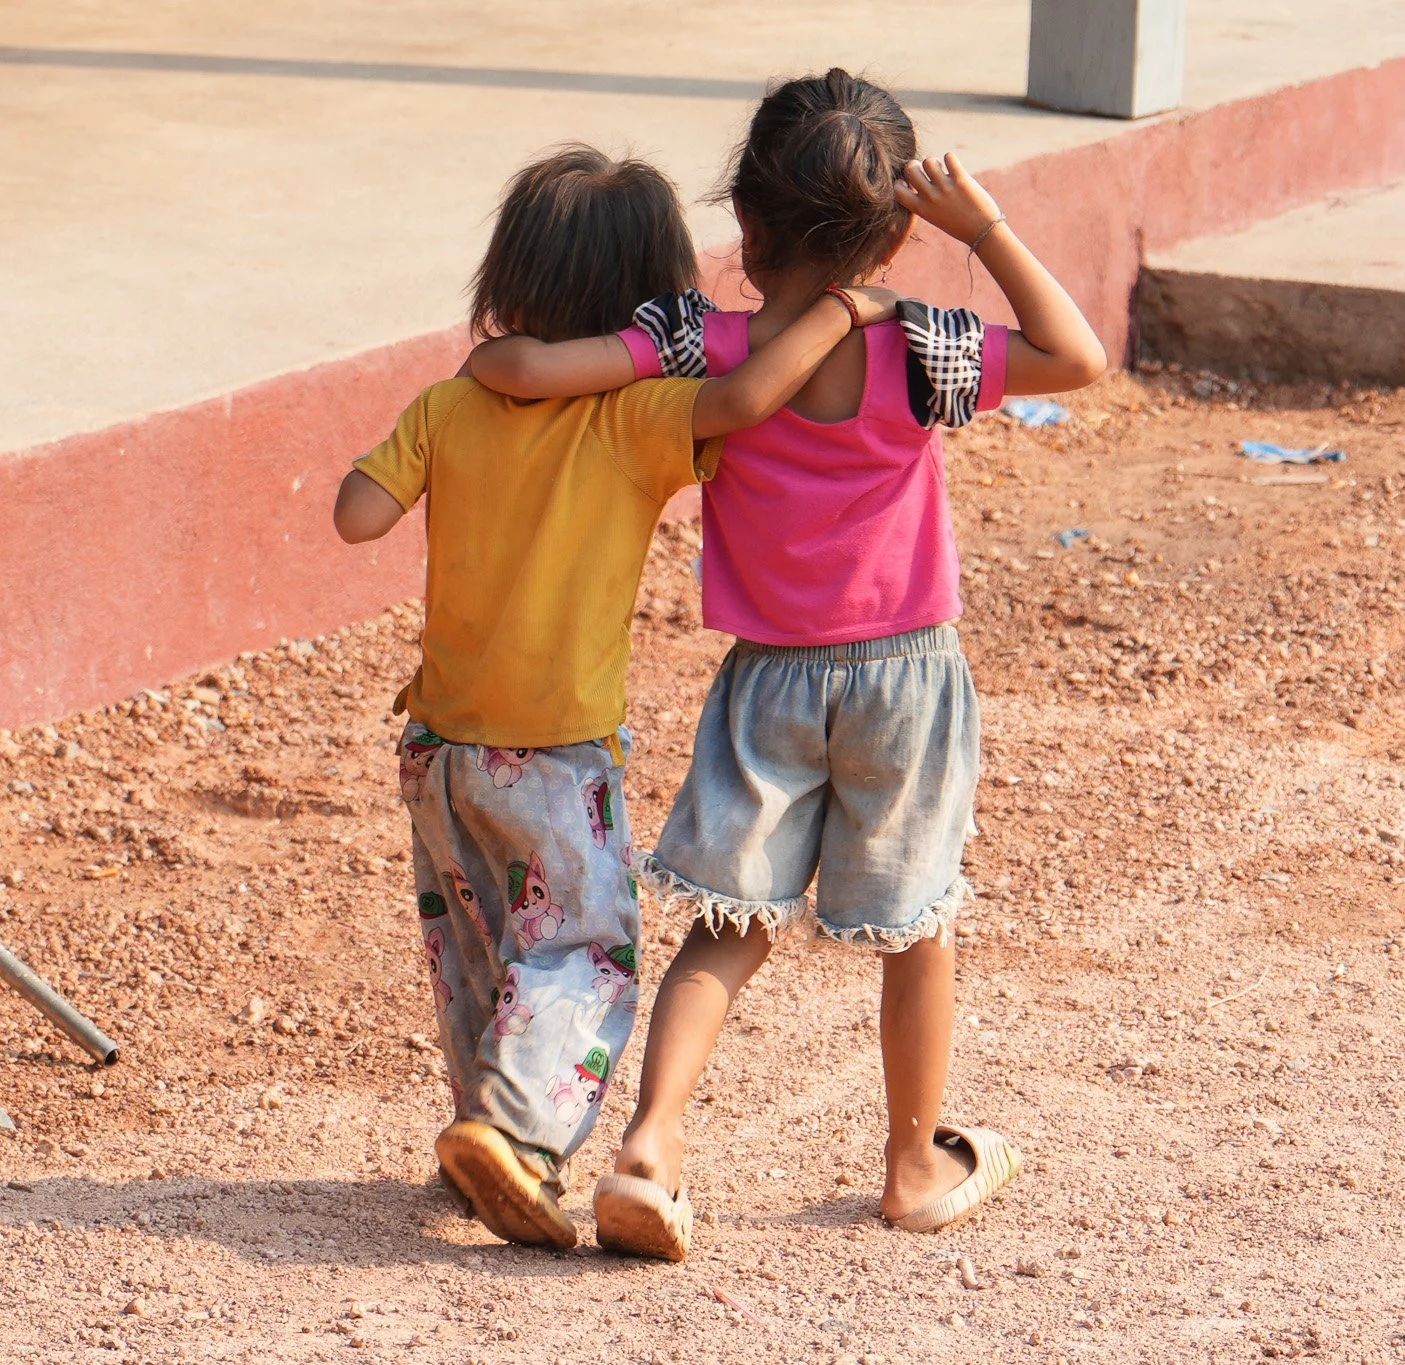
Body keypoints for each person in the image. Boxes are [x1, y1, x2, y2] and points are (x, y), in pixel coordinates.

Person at [464, 71, 1106, 1260]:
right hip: (907, 680)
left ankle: (649, 1148)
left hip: (767, 681)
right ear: (897, 236)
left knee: (727, 925)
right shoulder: (920, 349)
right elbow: (1077, 356)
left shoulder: (696, 346)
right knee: (914, 929)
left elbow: (528, 371)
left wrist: (486, 373)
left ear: (745, 221)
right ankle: (912, 1165)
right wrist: (984, 232)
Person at [332, 143, 899, 1251]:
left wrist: (407, 457)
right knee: (581, 946)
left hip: (438, 744)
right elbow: (745, 397)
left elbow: (357, 516)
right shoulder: (638, 417)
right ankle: (515, 1135)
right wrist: (844, 310)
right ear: (651, 305)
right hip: (554, 750)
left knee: (478, 945)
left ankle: (483, 1127)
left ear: (507, 277)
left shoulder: (449, 405)